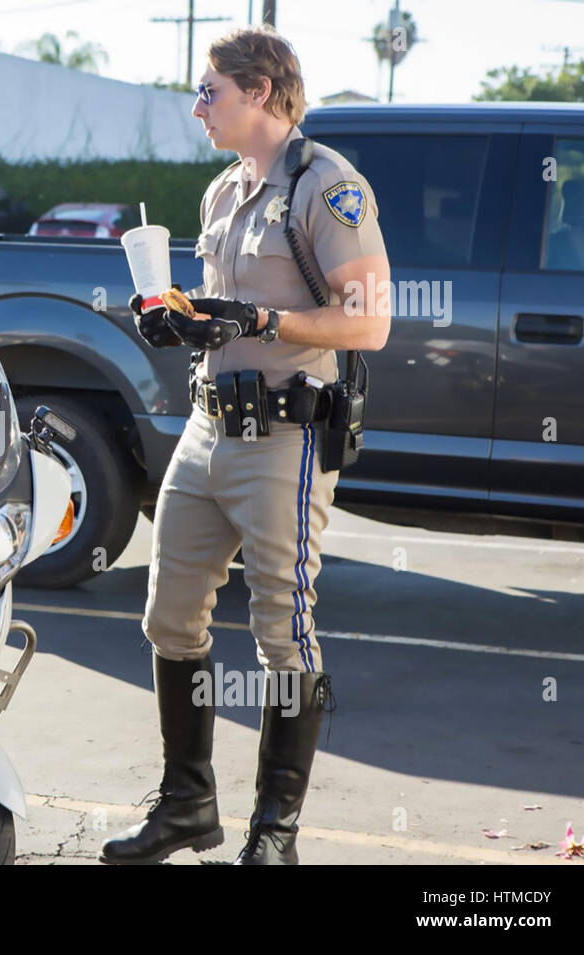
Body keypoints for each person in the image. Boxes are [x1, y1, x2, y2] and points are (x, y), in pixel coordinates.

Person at [99, 26, 390, 865]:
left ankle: (275, 835)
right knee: (169, 618)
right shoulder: (225, 192)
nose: (198, 106)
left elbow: (370, 320)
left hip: (285, 438)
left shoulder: (327, 185)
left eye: (210, 91)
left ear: (259, 91)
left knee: (283, 632)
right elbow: (226, 313)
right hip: (205, 427)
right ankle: (188, 805)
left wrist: (264, 320)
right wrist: (182, 315)